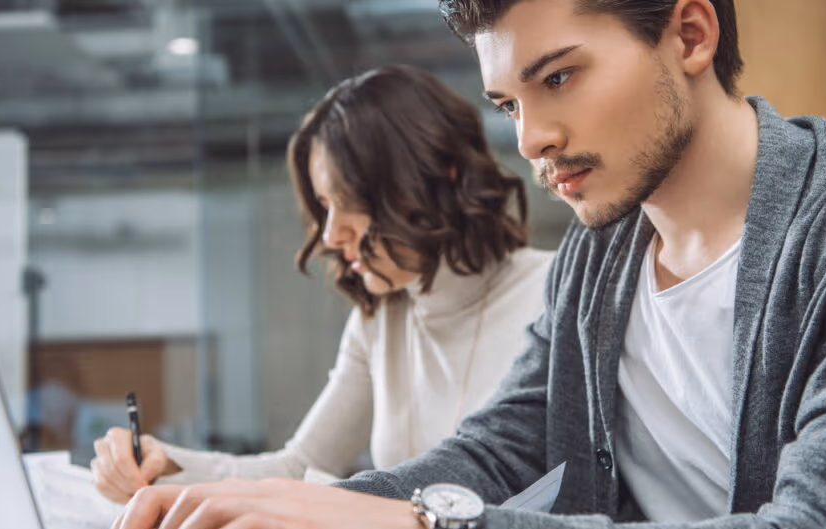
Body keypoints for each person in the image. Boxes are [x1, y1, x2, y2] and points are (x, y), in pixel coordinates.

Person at [102, 1, 826, 529]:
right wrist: (272, 527)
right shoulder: (595, 259)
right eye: (508, 102)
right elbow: (498, 449)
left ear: (691, 32)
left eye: (559, 78)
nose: (533, 140)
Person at [90, 65, 554, 504]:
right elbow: (302, 466)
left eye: (347, 200)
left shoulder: (553, 293)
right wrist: (165, 465)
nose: (331, 234)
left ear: (439, 177)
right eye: (324, 205)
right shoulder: (379, 319)